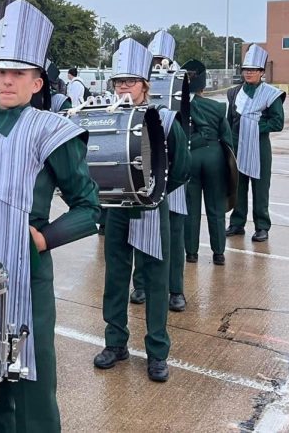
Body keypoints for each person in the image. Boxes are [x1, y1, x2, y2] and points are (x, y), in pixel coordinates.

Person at [0, 0, 100, 433]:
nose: (6, 81)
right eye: (0, 72)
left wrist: (44, 239)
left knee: (32, 378)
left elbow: (90, 208)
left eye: (18, 74)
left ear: (36, 83)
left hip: (28, 269)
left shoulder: (53, 131)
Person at [93, 39, 189, 382]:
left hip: (152, 209)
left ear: (145, 85)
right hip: (117, 209)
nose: (123, 87)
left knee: (156, 280)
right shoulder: (107, 116)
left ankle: (157, 353)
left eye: (130, 82)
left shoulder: (164, 118)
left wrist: (154, 194)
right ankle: (115, 343)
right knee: (115, 278)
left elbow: (181, 167)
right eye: (118, 82)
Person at [131, 29, 190, 312]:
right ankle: (140, 284)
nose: (157, 64)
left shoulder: (179, 81)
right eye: (152, 59)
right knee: (139, 230)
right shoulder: (137, 82)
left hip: (170, 176)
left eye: (161, 59)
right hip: (143, 169)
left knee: (173, 239)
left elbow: (182, 122)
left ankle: (175, 289)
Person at [226, 44, 285, 242]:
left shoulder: (271, 93)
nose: (248, 73)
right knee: (238, 186)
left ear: (261, 72)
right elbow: (229, 120)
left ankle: (262, 226)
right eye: (245, 70)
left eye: (253, 70)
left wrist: (253, 126)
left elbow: (277, 122)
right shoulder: (234, 92)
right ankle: (237, 223)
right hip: (236, 145)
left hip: (259, 147)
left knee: (260, 188)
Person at [181, 59, 233, 265]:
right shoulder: (218, 107)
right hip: (215, 157)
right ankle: (218, 253)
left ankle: (191, 253)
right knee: (216, 208)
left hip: (190, 156)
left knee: (191, 208)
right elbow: (227, 139)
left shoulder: (179, 106)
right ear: (203, 85)